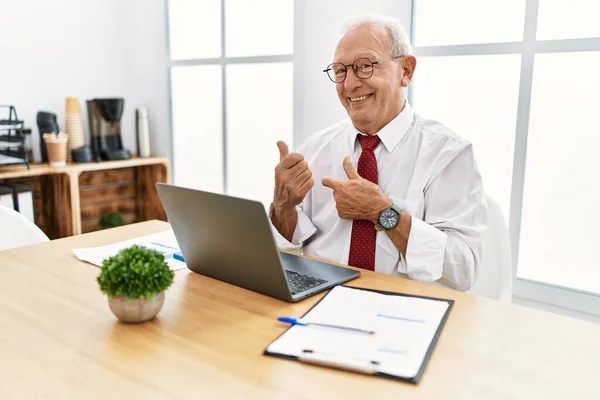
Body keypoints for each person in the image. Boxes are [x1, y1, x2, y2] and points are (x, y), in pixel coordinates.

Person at [270, 14, 486, 291]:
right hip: (317, 297)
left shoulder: (449, 154)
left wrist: (382, 212)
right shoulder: (316, 147)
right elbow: (290, 243)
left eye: (364, 66)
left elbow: (462, 269)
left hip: (403, 308)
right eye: (340, 71)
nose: (349, 85)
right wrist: (282, 206)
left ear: (406, 71)